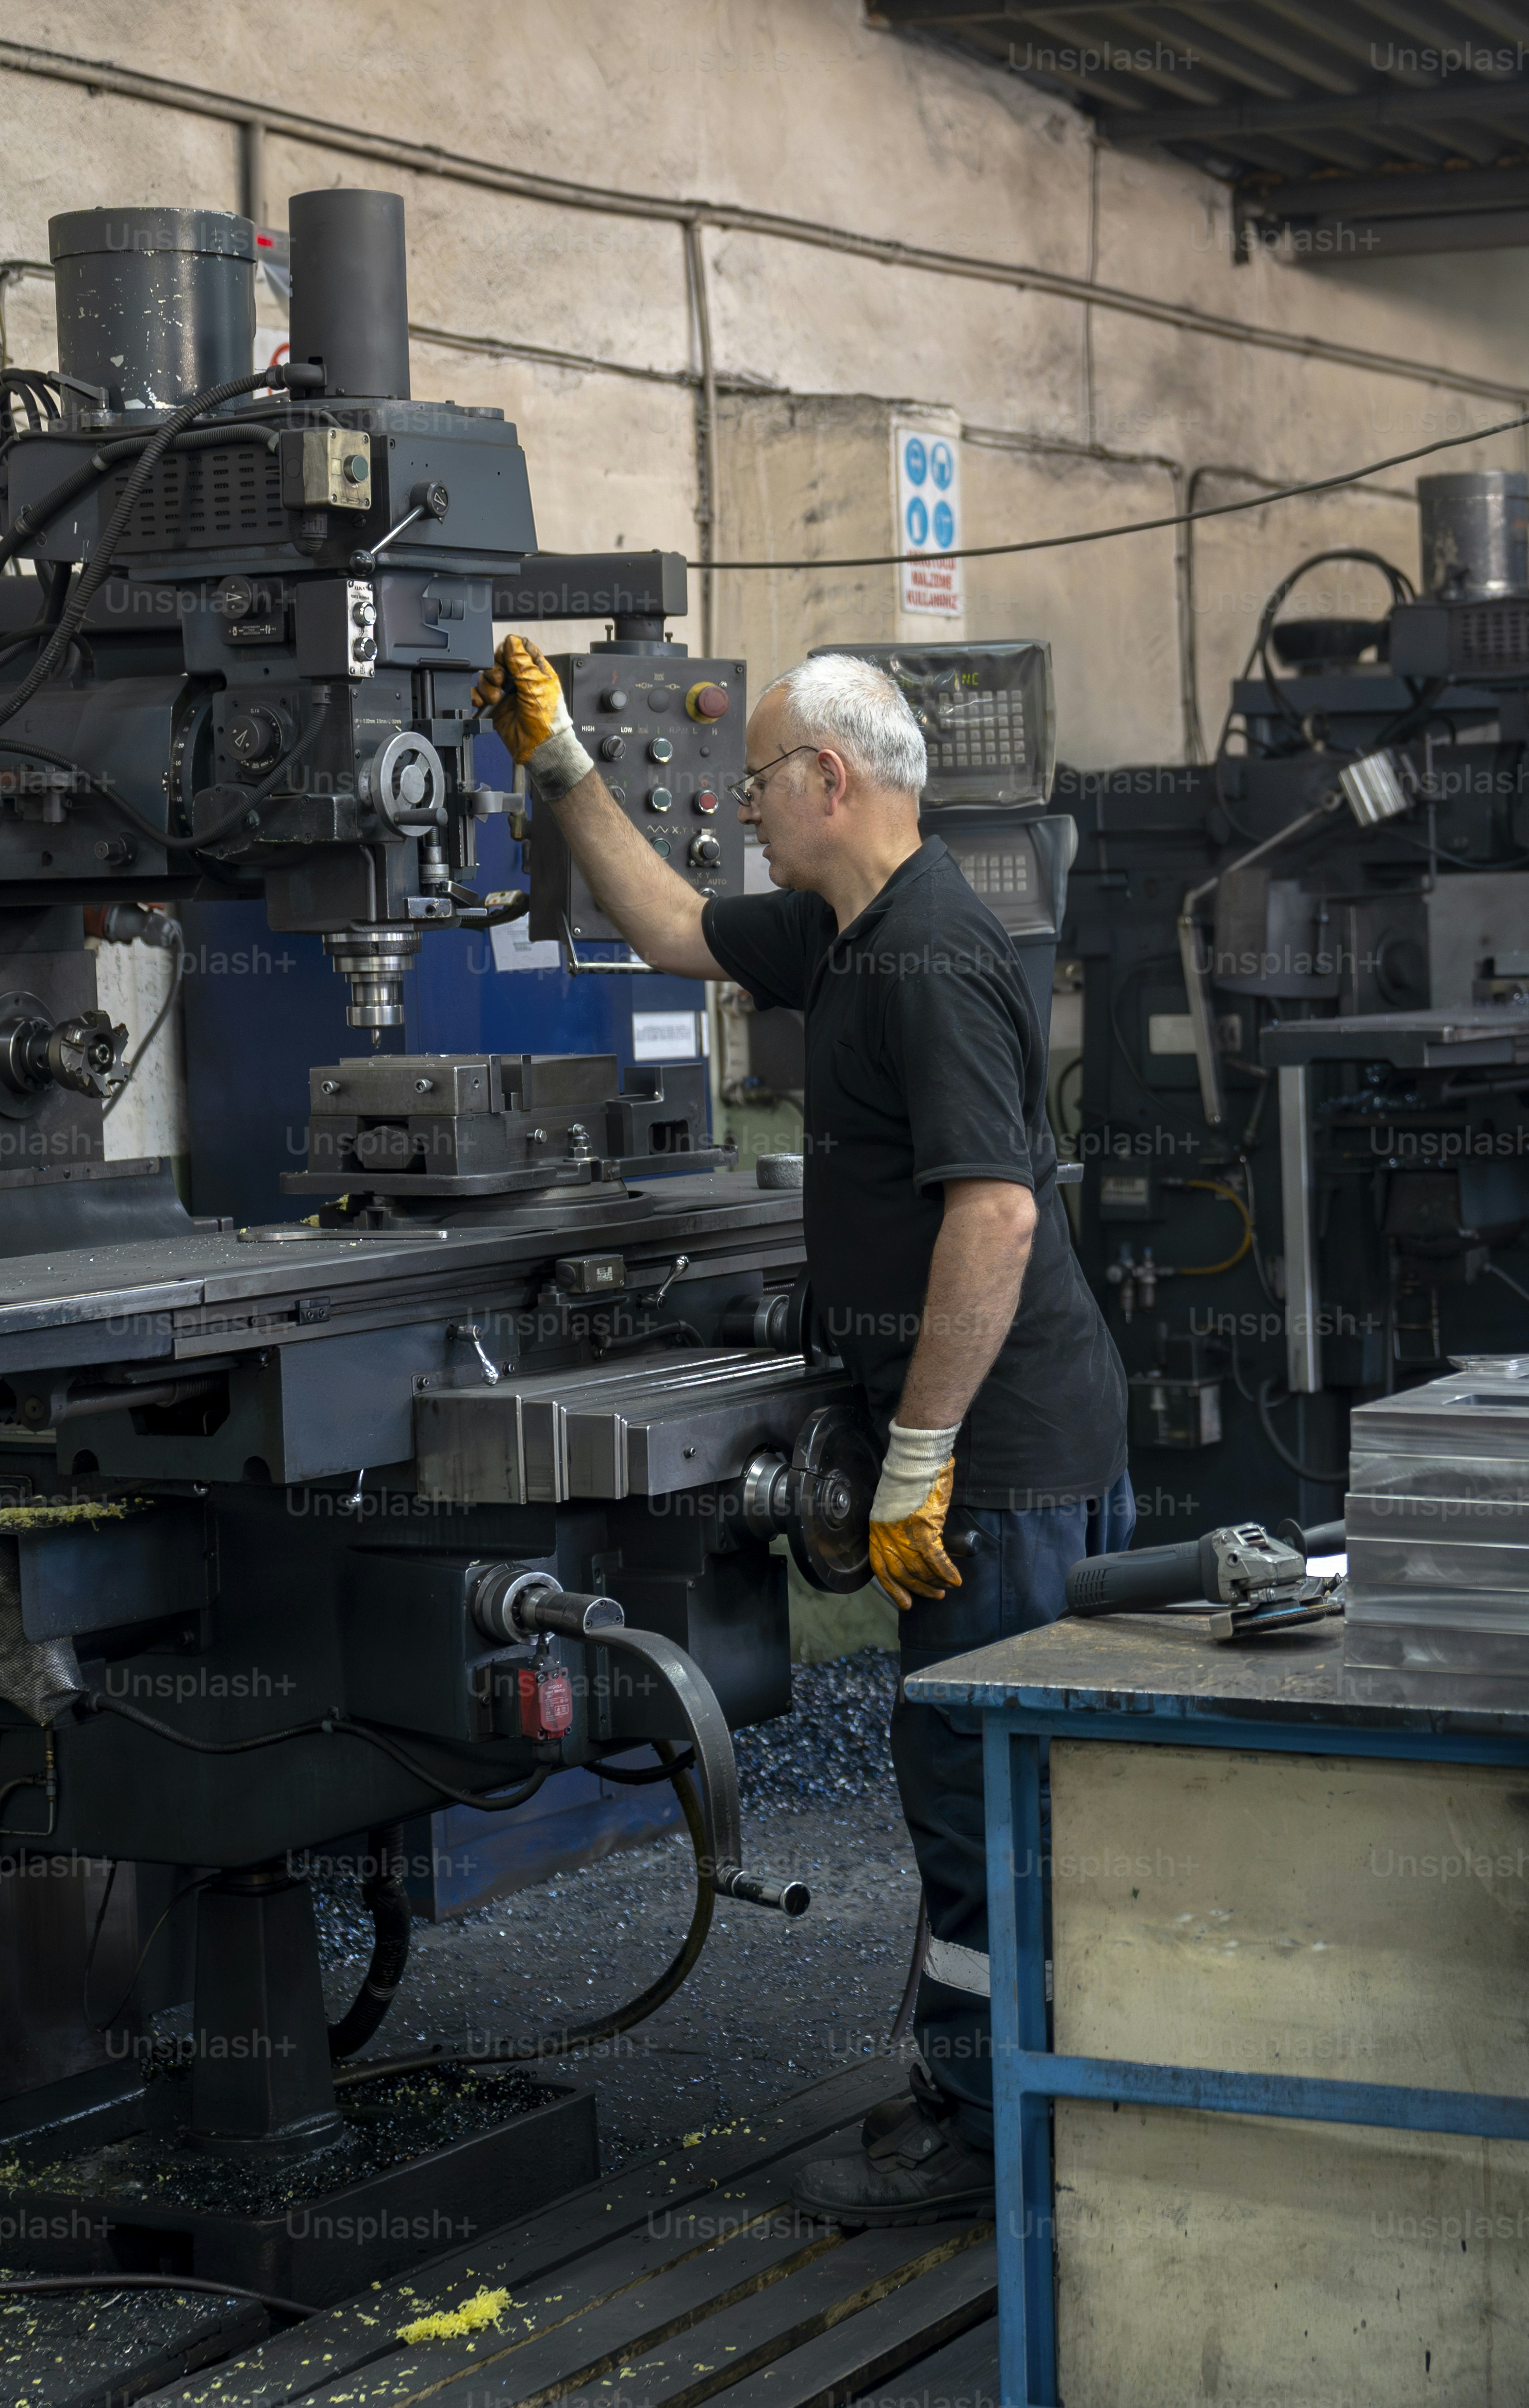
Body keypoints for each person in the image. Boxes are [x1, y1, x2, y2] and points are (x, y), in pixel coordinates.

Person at [470, 636, 1131, 2226]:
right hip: (974, 1434)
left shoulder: (933, 956)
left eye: (757, 781)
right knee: (988, 1780)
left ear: (831, 782)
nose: (742, 806)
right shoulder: (841, 930)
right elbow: (673, 925)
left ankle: (993, 2142)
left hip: (1002, 1450)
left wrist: (919, 1452)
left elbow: (995, 1220)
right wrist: (559, 763)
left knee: (985, 1789)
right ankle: (1004, 2092)